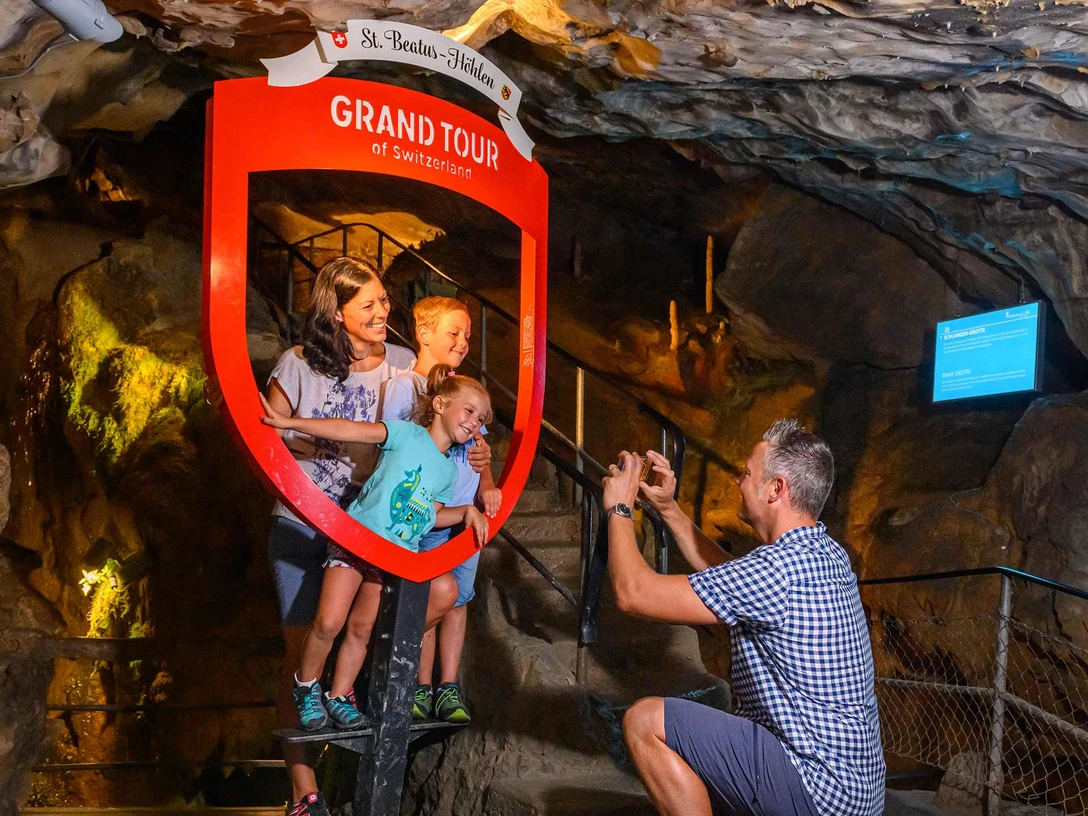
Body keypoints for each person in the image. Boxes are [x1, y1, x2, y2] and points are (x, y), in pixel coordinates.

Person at [250, 256, 489, 816]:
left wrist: (482, 465)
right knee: (306, 641)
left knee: (361, 628)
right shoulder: (298, 365)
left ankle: (351, 713)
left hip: (377, 528)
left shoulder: (406, 365)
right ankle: (305, 793)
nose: (384, 311)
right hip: (305, 522)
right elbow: (269, 434)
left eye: (385, 300)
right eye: (370, 303)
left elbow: (460, 422)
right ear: (337, 311)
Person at [601, 419, 885, 816]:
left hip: (817, 792)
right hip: (854, 792)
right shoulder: (821, 551)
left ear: (776, 489)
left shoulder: (776, 572)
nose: (737, 480)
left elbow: (632, 593)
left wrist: (619, 507)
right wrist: (668, 508)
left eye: (747, 473)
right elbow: (732, 579)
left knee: (644, 721)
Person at [259, 365, 493, 732]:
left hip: (391, 557)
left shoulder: (448, 471)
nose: (473, 422)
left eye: (480, 419)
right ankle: (306, 686)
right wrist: (291, 421)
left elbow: (430, 515)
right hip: (357, 542)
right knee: (328, 621)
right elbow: (350, 430)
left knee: (361, 628)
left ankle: (339, 694)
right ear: (440, 404)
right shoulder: (406, 435)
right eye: (468, 410)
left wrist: (466, 511)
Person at [379, 296, 502, 724]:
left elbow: (479, 449)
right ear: (424, 333)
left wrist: (487, 483)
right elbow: (396, 447)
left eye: (468, 334)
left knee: (460, 597)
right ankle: (419, 684)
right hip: (428, 513)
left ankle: (447, 687)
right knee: (432, 591)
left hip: (465, 511)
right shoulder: (405, 386)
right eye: (454, 332)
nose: (464, 341)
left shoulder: (464, 393)